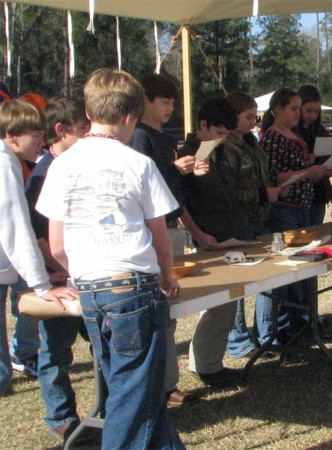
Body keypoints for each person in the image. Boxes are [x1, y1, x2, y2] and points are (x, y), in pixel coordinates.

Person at [36, 68, 184, 450]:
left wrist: (84, 271)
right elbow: (160, 235)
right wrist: (167, 276)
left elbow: (56, 246)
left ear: (88, 109)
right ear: (130, 116)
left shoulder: (60, 164)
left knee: (134, 389)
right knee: (132, 399)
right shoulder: (138, 163)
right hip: (134, 287)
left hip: (91, 288)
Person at [128, 73, 213, 405]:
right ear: (146, 100)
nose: (170, 108)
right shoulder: (138, 136)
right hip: (151, 232)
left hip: (170, 228)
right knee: (157, 314)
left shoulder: (163, 137)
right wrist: (176, 170)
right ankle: (159, 387)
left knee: (169, 313)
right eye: (164, 102)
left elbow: (173, 194)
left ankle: (166, 384)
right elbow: (143, 187)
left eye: (173, 103)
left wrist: (188, 172)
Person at [23, 97, 94, 444]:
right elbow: (39, 235)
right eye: (83, 130)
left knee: (100, 344)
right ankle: (62, 417)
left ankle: (108, 411)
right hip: (62, 279)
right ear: (60, 131)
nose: (89, 136)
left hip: (83, 273)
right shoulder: (43, 175)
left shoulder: (78, 166)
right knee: (56, 351)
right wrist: (56, 272)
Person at [1, 99, 78, 398]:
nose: (42, 142)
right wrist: (41, 285)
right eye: (35, 136)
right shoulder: (5, 163)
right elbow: (15, 226)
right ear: (11, 135)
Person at [260, 88, 332, 335]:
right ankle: (273, 330)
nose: (298, 113)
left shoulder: (292, 135)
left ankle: (296, 320)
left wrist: (318, 170)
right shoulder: (272, 138)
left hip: (301, 208)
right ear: (277, 109)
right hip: (285, 210)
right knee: (282, 270)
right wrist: (307, 172)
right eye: (293, 108)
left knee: (300, 267)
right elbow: (274, 176)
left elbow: (296, 170)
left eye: (298, 108)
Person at [182, 97, 242, 386]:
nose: (223, 139)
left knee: (227, 302)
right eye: (219, 133)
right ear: (203, 125)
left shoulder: (218, 152)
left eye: (227, 134)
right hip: (205, 238)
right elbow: (179, 203)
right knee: (217, 302)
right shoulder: (186, 155)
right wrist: (199, 235)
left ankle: (208, 361)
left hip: (224, 235)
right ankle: (205, 364)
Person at [223, 91, 283, 358]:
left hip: (261, 219)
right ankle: (237, 340)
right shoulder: (225, 147)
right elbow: (227, 191)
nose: (253, 122)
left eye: (254, 117)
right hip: (238, 224)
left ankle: (266, 335)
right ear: (232, 117)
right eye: (248, 117)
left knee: (269, 278)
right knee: (237, 286)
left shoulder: (254, 145)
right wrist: (260, 194)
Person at [294, 85, 332, 226]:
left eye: (316, 111)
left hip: (319, 194)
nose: (312, 115)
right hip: (297, 196)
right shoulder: (291, 131)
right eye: (308, 111)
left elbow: (326, 159)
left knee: (316, 236)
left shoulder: (320, 130)